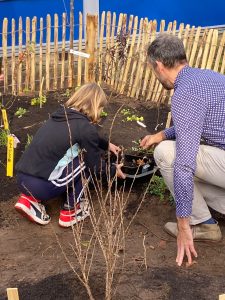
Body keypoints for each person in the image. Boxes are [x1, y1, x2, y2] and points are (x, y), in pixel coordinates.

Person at [140, 34, 225, 266]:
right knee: (177, 153)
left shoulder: (184, 93)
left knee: (167, 154)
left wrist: (183, 224)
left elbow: (185, 164)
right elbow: (195, 121)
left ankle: (204, 225)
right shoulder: (210, 77)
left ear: (158, 65)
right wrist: (161, 134)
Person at [15, 83, 125, 227]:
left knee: (69, 158)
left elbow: (81, 134)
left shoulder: (59, 117)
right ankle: (71, 211)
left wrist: (106, 144)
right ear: (94, 105)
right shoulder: (85, 127)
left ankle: (28, 200)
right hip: (42, 187)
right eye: (101, 107)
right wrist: (112, 170)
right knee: (86, 160)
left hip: (22, 179)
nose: (101, 111)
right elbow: (96, 167)